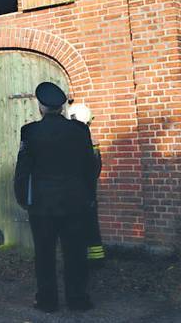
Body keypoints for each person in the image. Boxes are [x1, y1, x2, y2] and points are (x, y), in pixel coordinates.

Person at [14, 82, 96, 313]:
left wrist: (22, 198)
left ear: (41, 107)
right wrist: (89, 196)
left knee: (44, 254)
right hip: (75, 202)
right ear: (61, 107)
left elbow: (23, 170)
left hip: (41, 205)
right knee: (76, 253)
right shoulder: (80, 130)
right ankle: (78, 299)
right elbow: (89, 167)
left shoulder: (29, 132)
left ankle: (47, 301)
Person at [68, 103, 105, 265]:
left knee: (76, 228)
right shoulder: (91, 142)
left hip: (75, 193)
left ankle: (79, 260)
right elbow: (95, 169)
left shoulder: (71, 141)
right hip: (89, 192)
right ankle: (95, 259)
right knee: (91, 227)